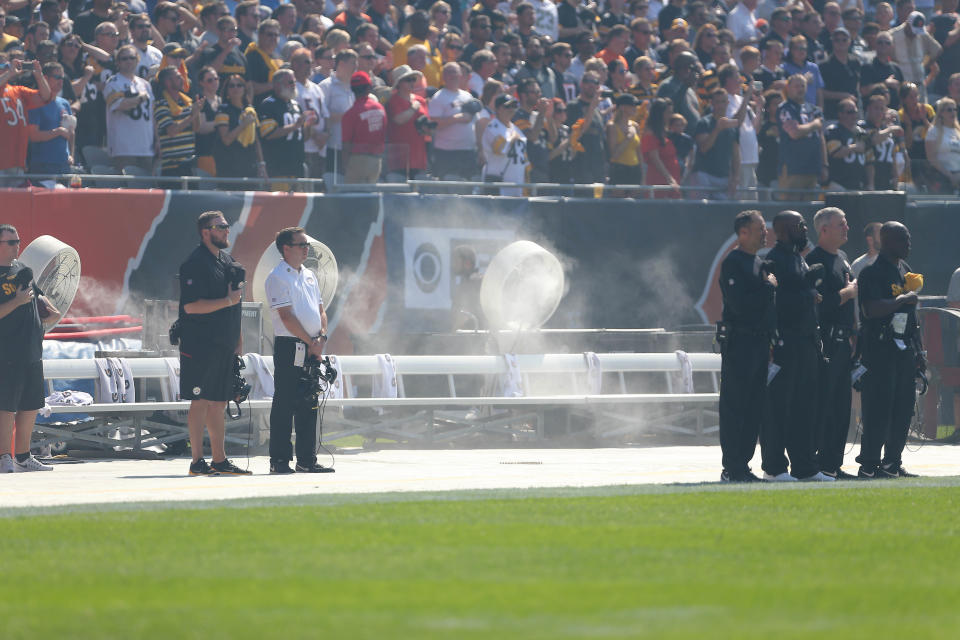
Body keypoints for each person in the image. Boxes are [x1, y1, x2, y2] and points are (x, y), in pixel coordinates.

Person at [177, 211, 251, 477]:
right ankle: (197, 461)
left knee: (219, 402)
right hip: (200, 344)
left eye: (227, 226)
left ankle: (219, 460)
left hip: (224, 343)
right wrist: (229, 302)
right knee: (200, 400)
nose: (226, 231)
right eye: (221, 227)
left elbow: (237, 303)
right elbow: (191, 306)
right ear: (205, 232)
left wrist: (238, 337)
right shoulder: (195, 263)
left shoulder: (228, 261)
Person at [762, 211, 834, 482]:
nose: (805, 228)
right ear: (781, 230)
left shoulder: (797, 259)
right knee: (780, 407)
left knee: (805, 408)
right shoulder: (774, 260)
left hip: (806, 343)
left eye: (804, 224)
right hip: (785, 343)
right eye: (799, 225)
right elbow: (775, 299)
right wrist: (807, 294)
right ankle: (774, 467)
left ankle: (805, 466)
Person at [855, 221, 924, 479]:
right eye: (902, 239)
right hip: (880, 348)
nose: (908, 244)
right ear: (885, 241)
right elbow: (871, 309)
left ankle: (892, 463)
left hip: (904, 349)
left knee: (903, 407)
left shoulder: (904, 269)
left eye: (908, 239)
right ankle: (870, 464)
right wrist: (903, 299)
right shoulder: (872, 272)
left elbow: (911, 316)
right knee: (878, 407)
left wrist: (918, 351)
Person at [264, 227, 334, 474]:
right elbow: (286, 317)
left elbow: (321, 310)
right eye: (301, 245)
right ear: (286, 248)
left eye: (307, 245)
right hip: (291, 345)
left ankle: (307, 459)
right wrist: (309, 341)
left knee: (309, 401)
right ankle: (279, 460)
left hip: (313, 344)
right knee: (285, 404)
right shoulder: (277, 277)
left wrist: (321, 337)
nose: (307, 249)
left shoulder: (309, 275)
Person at [717, 210, 775, 483]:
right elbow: (739, 304)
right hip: (739, 342)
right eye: (760, 229)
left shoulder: (761, 263)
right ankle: (732, 466)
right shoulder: (734, 262)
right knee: (735, 405)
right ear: (743, 233)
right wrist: (767, 288)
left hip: (760, 342)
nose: (765, 233)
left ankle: (744, 463)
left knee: (755, 407)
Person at [0, 224, 60, 473]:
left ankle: (23, 457)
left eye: (18, 240)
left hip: (32, 348)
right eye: (11, 242)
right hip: (7, 349)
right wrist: (16, 301)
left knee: (30, 405)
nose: (17, 245)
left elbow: (37, 301)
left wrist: (47, 312)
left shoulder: (24, 271)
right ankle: (4, 457)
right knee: (6, 406)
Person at [806, 207, 858, 480]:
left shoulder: (843, 260)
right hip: (825, 343)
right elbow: (820, 307)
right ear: (823, 229)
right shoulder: (815, 261)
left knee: (841, 407)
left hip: (843, 342)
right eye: (841, 224)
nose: (846, 228)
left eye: (846, 223)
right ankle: (815, 463)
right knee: (823, 405)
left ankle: (832, 464)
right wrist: (848, 293)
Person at [104, 44, 155, 173]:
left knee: (147, 188)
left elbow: (152, 115)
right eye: (124, 59)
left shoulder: (145, 84)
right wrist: (140, 98)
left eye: (132, 58)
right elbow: (118, 105)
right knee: (126, 188)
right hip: (124, 147)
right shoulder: (113, 82)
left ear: (137, 60)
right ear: (118, 62)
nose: (129, 61)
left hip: (147, 146)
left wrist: (157, 140)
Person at [0, 59, 51, 185]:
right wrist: (9, 74)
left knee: (15, 204)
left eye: (8, 65)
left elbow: (46, 96)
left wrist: (39, 76)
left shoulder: (18, 90)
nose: (7, 68)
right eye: (3, 65)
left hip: (17, 163)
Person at [259, 68, 313, 187]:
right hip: (278, 168)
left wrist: (308, 126)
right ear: (278, 85)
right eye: (290, 82)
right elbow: (268, 134)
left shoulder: (295, 105)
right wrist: (294, 126)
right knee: (279, 204)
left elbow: (302, 137)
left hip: (297, 167)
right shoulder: (268, 104)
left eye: (294, 82)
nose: (294, 85)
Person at [776, 74, 827, 199]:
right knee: (790, 210)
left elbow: (821, 137)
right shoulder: (784, 108)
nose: (800, 89)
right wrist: (815, 124)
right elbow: (794, 133)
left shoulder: (814, 109)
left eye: (803, 86)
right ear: (788, 88)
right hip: (793, 168)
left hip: (812, 166)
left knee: (809, 211)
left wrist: (824, 164)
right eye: (796, 86)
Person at [429, 61, 479, 180]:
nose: (453, 76)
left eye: (455, 73)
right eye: (449, 73)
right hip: (447, 152)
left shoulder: (467, 96)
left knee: (467, 188)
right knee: (448, 187)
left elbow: (476, 122)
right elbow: (434, 125)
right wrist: (457, 119)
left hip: (468, 151)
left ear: (461, 75)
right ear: (443, 76)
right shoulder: (438, 97)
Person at [214, 72, 267, 180]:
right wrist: (243, 124)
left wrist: (262, 165)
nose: (236, 88)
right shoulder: (222, 110)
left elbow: (256, 140)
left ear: (244, 89)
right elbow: (226, 140)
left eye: (239, 85)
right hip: (229, 168)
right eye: (231, 86)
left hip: (250, 165)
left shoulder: (250, 110)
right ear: (227, 90)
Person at [691, 88, 741, 199]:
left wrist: (736, 177)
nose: (720, 105)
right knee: (700, 212)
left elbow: (736, 154)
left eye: (723, 102)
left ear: (728, 103)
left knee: (721, 213)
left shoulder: (732, 126)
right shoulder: (704, 123)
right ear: (712, 103)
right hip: (703, 175)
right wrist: (717, 129)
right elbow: (704, 148)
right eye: (717, 102)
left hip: (724, 177)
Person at [27, 62, 72, 180]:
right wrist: (58, 132)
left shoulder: (65, 103)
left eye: (62, 78)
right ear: (45, 78)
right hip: (43, 165)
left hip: (63, 165)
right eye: (57, 77)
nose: (61, 81)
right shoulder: (35, 102)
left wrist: (71, 154)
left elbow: (71, 133)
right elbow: (33, 136)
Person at [318, 49, 358, 181]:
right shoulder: (326, 86)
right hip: (333, 146)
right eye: (353, 63)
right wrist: (348, 117)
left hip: (351, 147)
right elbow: (321, 114)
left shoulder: (355, 87)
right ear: (341, 63)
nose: (356, 66)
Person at [154, 66, 200, 178]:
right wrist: (191, 116)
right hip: (172, 168)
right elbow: (171, 131)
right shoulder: (161, 105)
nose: (183, 79)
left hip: (189, 165)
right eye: (178, 77)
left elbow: (196, 128)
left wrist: (196, 111)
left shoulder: (185, 102)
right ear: (168, 82)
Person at [341, 70, 386, 184]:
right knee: (370, 198)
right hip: (376, 160)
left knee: (354, 196)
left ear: (352, 89)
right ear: (369, 88)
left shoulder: (350, 114)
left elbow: (346, 145)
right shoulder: (380, 109)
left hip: (357, 160)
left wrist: (345, 166)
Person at [481, 94, 529, 196]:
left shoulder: (516, 129)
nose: (511, 109)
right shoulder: (492, 127)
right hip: (498, 184)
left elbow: (523, 158)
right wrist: (513, 138)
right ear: (498, 109)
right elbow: (499, 149)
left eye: (514, 106)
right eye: (507, 106)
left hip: (517, 185)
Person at [890, 11, 941, 104]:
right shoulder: (893, 35)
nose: (915, 33)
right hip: (903, 86)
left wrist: (925, 65)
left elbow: (937, 49)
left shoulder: (922, 34)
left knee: (923, 111)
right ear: (907, 24)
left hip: (920, 85)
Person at [818, 26, 861, 121]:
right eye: (837, 40)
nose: (841, 42)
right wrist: (843, 96)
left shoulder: (855, 62)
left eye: (844, 40)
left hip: (853, 114)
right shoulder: (824, 66)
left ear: (850, 41)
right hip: (833, 114)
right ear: (832, 42)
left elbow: (857, 85)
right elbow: (821, 92)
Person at [824, 97, 868, 190]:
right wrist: (854, 147)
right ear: (840, 114)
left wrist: (870, 183)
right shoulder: (833, 131)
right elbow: (835, 153)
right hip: (839, 183)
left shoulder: (861, 132)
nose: (854, 115)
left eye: (855, 112)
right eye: (850, 112)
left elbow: (869, 158)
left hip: (857, 185)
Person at [641, 97, 682, 197]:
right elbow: (654, 158)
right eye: (668, 112)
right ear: (659, 113)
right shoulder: (650, 132)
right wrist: (669, 178)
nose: (670, 115)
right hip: (659, 181)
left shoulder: (664, 132)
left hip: (671, 181)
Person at [864, 94, 905, 190]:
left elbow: (892, 155)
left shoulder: (886, 129)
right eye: (876, 108)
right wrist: (891, 129)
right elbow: (872, 140)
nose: (879, 112)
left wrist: (895, 177)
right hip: (870, 181)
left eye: (882, 109)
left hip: (887, 178)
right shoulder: (862, 126)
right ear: (869, 109)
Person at [656, 50, 701, 136]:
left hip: (693, 138)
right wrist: (685, 87)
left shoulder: (689, 87)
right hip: (677, 138)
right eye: (691, 68)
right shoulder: (667, 85)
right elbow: (668, 110)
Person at [924, 97, 960, 193]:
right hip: (940, 178)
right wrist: (950, 175)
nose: (953, 112)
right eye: (949, 110)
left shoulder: (958, 131)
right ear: (941, 113)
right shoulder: (933, 131)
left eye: (954, 109)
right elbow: (931, 157)